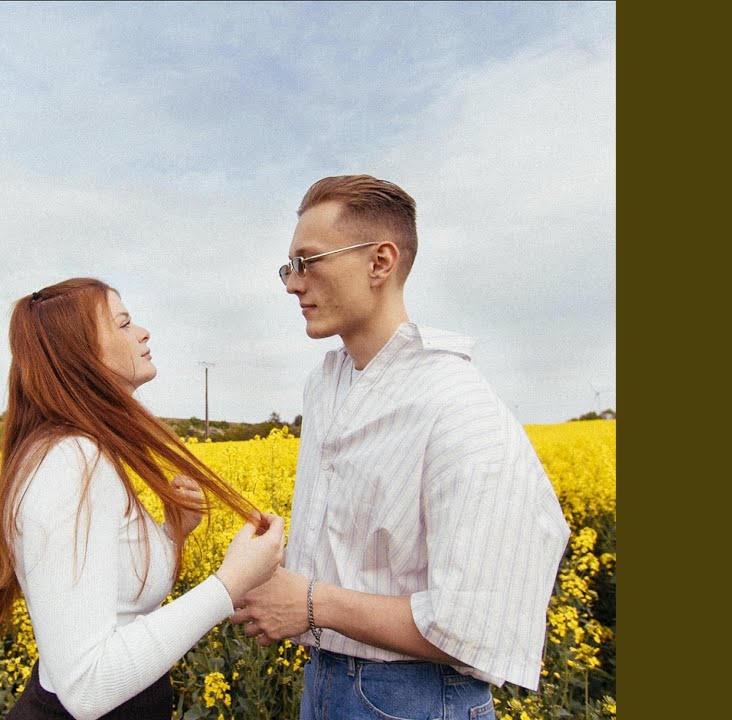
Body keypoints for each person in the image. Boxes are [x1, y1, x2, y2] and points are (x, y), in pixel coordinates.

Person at [230, 175, 571, 719]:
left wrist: (311, 602)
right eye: (289, 266)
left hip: (415, 698)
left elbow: (477, 623)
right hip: (325, 680)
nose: (293, 283)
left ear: (380, 262)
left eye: (308, 261)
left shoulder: (456, 404)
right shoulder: (325, 385)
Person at [0, 278, 285, 720]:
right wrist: (230, 583)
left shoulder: (82, 451)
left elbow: (120, 605)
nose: (143, 332)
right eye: (123, 323)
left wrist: (173, 533)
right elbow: (86, 688)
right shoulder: (71, 461)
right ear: (81, 351)